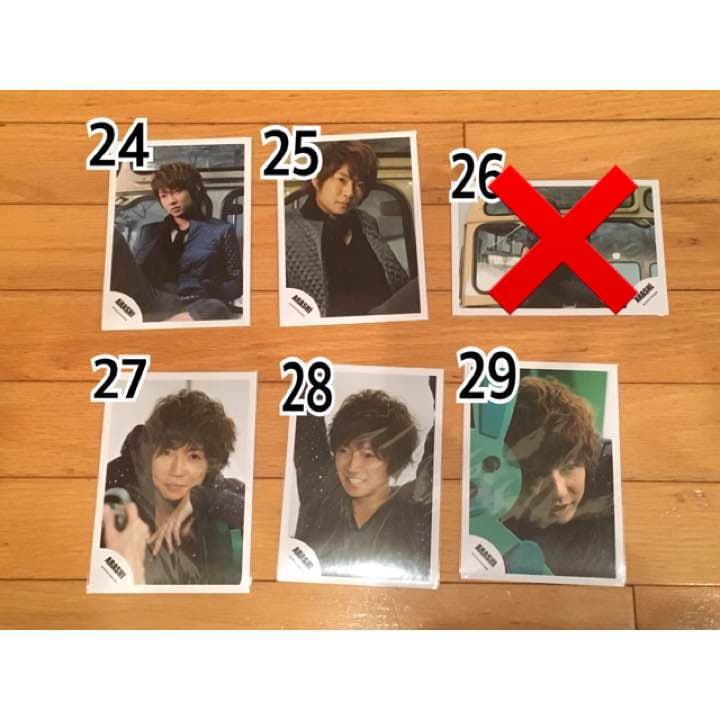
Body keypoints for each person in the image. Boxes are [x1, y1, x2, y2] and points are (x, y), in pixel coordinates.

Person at [101, 389, 246, 585]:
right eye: (166, 452)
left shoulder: (216, 496)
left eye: (193, 456)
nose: (177, 470)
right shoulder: (120, 493)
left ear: (210, 465)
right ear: (149, 455)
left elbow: (256, 513)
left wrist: (201, 499)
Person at [293, 386, 436, 582]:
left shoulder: (416, 509)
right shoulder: (322, 495)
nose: (352, 466)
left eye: (368, 455)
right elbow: (304, 415)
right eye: (344, 450)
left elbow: (448, 419)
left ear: (393, 460)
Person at [284, 141, 419, 317]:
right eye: (341, 180)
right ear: (316, 179)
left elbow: (397, 282)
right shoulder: (288, 228)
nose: (350, 192)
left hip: (387, 321)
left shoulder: (365, 222)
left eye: (360, 184)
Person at [500, 376, 616, 578]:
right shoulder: (491, 506)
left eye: (569, 467)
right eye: (539, 474)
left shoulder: (613, 473)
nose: (560, 491)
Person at [112, 161, 243, 321]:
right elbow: (135, 273)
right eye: (164, 195)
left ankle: (166, 326)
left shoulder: (221, 230)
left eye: (177, 192)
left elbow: (236, 283)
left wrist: (210, 288)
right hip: (154, 298)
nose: (171, 200)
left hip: (196, 301)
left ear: (195, 189)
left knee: (216, 308)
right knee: (114, 236)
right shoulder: (150, 231)